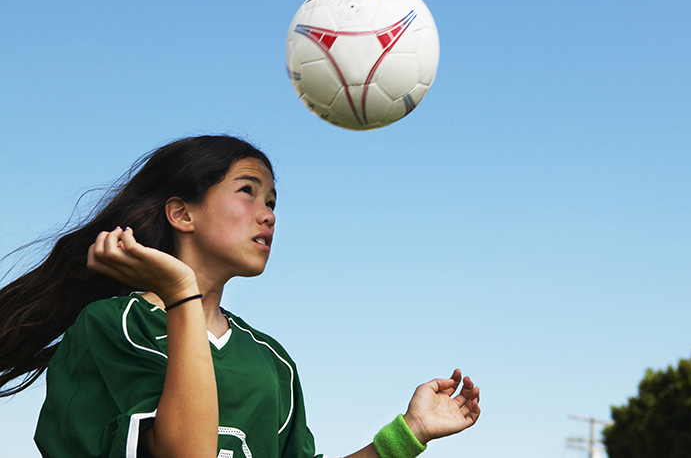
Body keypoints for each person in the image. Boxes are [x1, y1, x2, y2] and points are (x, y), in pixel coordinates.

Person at [0, 135, 480, 458]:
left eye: (272, 201)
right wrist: (182, 295)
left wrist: (409, 433)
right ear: (182, 214)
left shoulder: (271, 361)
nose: (267, 214)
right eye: (248, 192)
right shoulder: (113, 325)